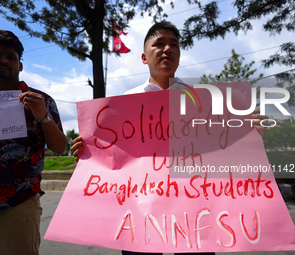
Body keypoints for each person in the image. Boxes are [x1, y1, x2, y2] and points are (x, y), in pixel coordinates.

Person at [71, 21, 268, 254]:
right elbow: (115, 157)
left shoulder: (202, 100)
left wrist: (250, 132)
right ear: (144, 57)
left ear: (179, 54)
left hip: (194, 209)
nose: (167, 49)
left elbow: (221, 148)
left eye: (174, 45)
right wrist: (89, 154)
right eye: (159, 44)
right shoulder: (124, 102)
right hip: (140, 209)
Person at [0, 28, 67, 255]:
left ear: (20, 65)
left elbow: (59, 147)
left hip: (17, 203)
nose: (2, 60)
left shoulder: (41, 101)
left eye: (11, 56)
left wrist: (43, 116)